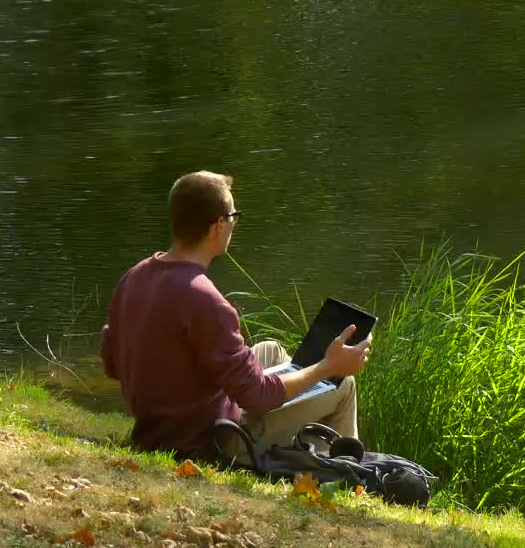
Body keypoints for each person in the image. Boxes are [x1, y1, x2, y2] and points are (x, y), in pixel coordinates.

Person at [101, 171, 370, 461]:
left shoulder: (135, 276)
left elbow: (112, 363)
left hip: (157, 427)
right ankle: (346, 475)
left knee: (270, 349)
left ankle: (313, 454)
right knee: (342, 386)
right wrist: (326, 367)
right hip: (212, 440)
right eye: (233, 216)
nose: (234, 224)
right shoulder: (205, 301)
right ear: (218, 226)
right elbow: (258, 397)